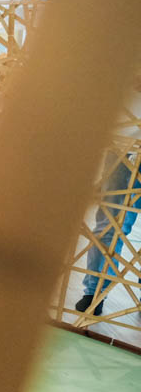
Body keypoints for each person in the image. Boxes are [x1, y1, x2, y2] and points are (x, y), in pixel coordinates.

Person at [77, 84, 141, 316]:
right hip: (121, 148)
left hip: (122, 145)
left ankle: (96, 292)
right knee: (109, 225)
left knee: (110, 225)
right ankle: (94, 292)